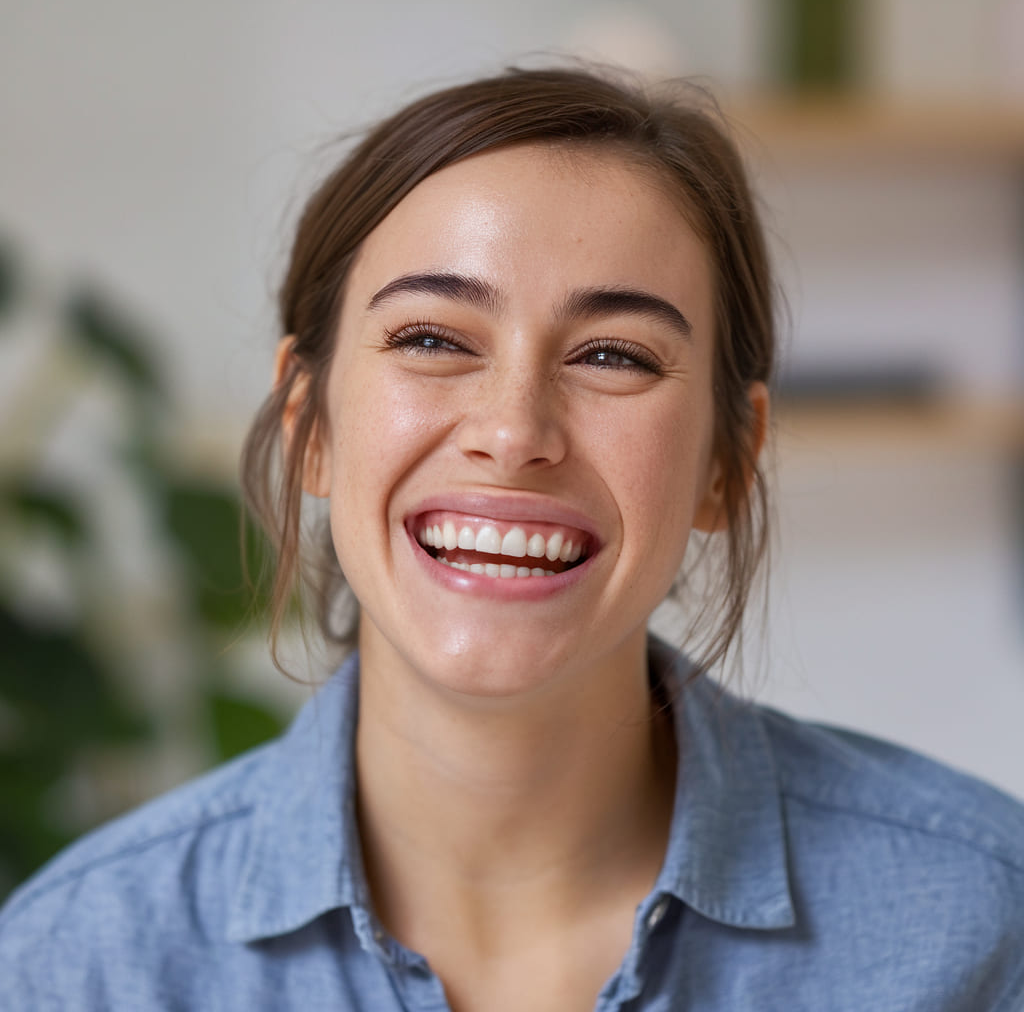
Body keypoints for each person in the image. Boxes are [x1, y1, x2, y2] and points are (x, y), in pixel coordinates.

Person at [1, 65, 1022, 1012]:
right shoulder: (78, 963)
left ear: (727, 457)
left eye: (614, 355)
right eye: (433, 339)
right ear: (310, 424)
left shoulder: (981, 922)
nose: (513, 432)